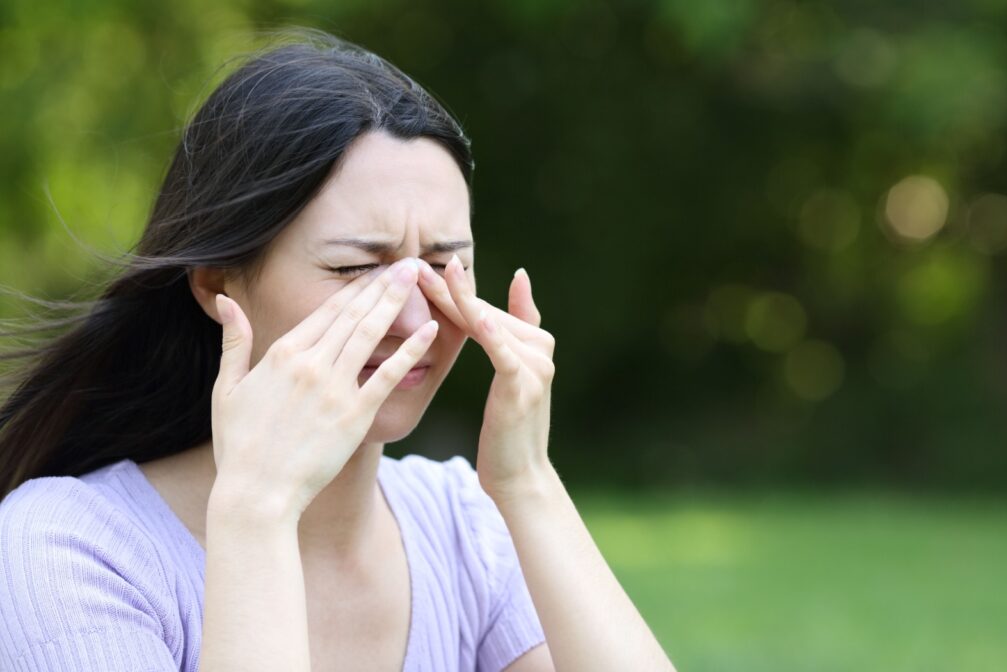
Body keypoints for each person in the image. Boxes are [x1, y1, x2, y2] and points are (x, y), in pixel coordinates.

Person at [0, 27, 675, 671]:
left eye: (444, 265)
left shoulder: (461, 527)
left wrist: (528, 483)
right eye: (356, 269)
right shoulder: (64, 549)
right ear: (216, 285)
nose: (415, 319)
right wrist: (256, 512)